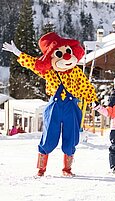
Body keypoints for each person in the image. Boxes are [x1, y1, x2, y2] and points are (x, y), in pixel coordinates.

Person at [2, 32, 97, 176]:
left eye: (68, 52)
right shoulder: (49, 72)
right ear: (51, 57)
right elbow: (33, 64)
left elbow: (85, 86)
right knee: (49, 137)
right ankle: (41, 169)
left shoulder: (76, 71)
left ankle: (67, 169)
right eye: (59, 53)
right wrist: (18, 53)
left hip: (71, 107)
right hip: (55, 107)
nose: (66, 57)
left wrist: (93, 100)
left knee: (71, 138)